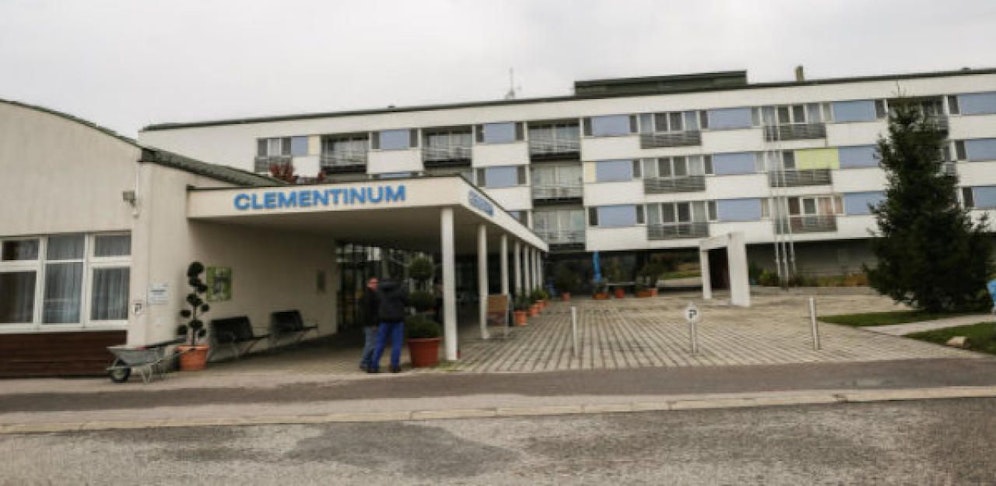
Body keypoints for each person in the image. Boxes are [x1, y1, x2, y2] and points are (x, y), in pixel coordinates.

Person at [369, 277, 409, 373]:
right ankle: (395, 366)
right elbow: (407, 302)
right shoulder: (399, 289)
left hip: (384, 319)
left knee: (380, 343)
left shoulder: (379, 290)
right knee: (397, 343)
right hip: (398, 319)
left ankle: (374, 366)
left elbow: (376, 304)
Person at [358, 276, 379, 371]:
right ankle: (364, 362)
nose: (376, 285)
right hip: (370, 324)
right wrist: (373, 323)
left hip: (370, 323)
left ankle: (368, 361)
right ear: (368, 284)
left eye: (376, 283)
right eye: (373, 283)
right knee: (370, 343)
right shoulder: (369, 296)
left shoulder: (372, 294)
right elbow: (368, 311)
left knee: (372, 343)